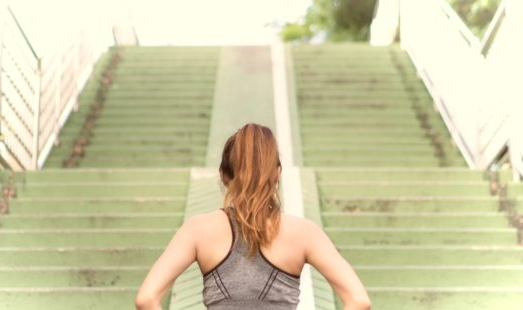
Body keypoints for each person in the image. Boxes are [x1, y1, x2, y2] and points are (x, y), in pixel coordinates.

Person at [135, 123, 370, 310]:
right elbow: (359, 300)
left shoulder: (198, 230)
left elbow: (146, 299)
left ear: (224, 175)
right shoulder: (304, 234)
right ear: (277, 173)